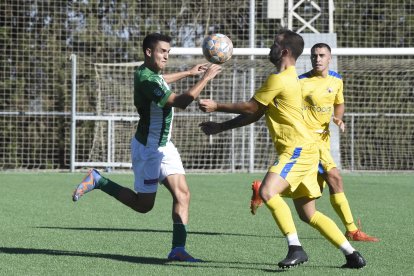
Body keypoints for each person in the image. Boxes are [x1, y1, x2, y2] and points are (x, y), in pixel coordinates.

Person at [198, 29, 366, 269]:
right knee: (309, 215)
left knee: (267, 192)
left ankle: (296, 248)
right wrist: (220, 128)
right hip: (306, 150)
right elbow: (255, 114)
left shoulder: (279, 79)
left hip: (297, 149)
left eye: (274, 44)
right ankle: (352, 255)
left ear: (284, 51)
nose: (270, 48)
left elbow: (249, 106)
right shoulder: (288, 79)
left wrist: (217, 106)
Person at [72, 33, 222, 262]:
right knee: (144, 206)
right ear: (149, 52)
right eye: (163, 51)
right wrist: (205, 79)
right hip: (149, 149)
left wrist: (189, 72)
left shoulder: (150, 74)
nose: (166, 56)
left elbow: (162, 81)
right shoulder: (147, 80)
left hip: (165, 146)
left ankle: (178, 249)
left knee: (183, 194)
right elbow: (181, 102)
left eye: (168, 52)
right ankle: (98, 180)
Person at [250, 43, 379, 242]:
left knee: (308, 197)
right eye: (314, 55)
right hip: (306, 140)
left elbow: (339, 103)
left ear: (330, 58)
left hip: (323, 140)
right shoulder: (300, 82)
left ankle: (264, 189)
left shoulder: (336, 80)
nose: (317, 59)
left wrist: (338, 118)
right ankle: (352, 230)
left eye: (321, 55)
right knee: (334, 177)